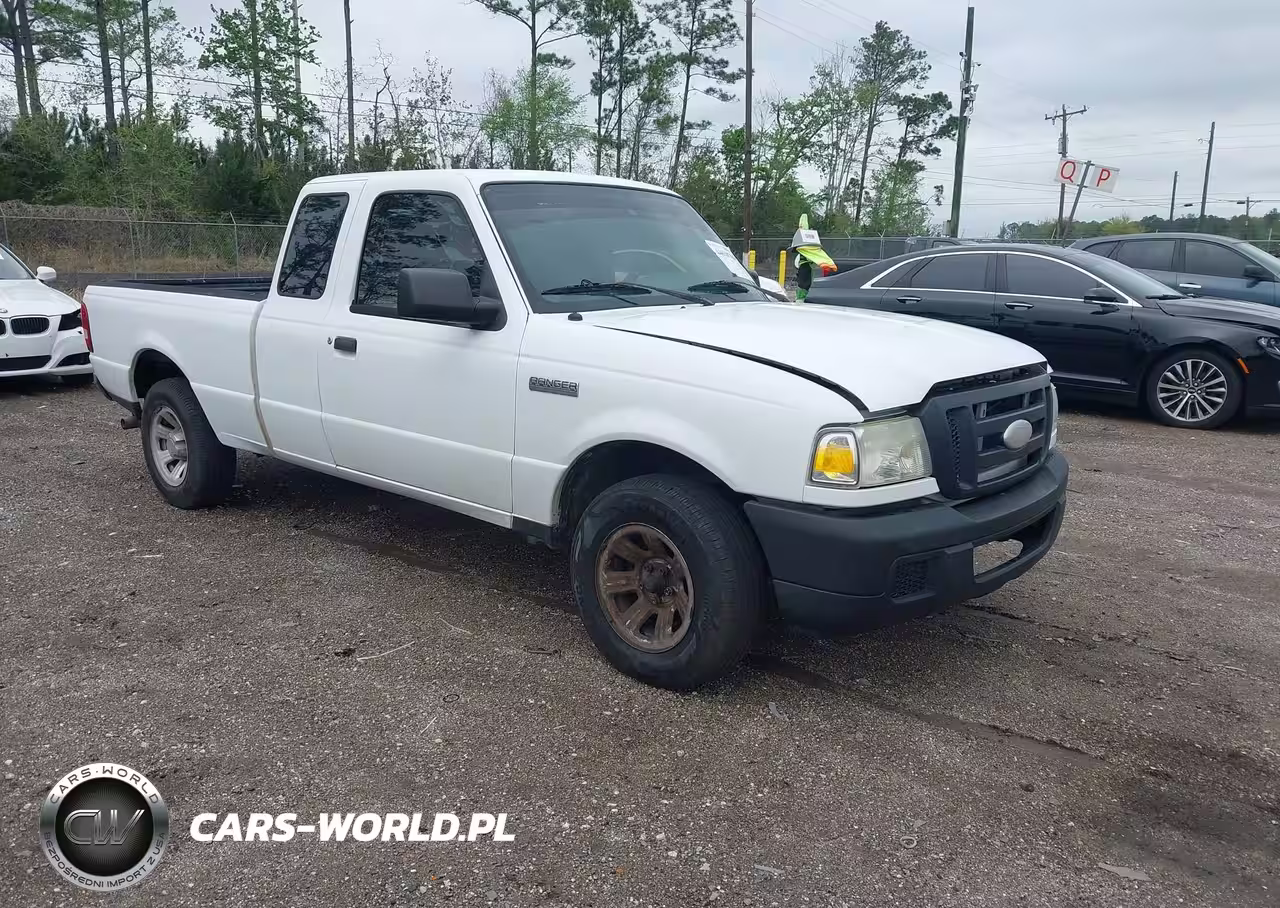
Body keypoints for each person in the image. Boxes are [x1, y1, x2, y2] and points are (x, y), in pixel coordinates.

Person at [789, 214, 837, 301]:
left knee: (804, 284)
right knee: (804, 283)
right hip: (805, 267)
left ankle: (801, 299)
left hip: (805, 267)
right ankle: (801, 298)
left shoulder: (804, 242)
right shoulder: (807, 243)